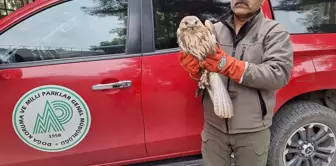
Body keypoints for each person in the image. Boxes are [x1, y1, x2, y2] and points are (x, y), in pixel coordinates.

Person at [178, 0, 294, 165]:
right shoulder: (213, 29)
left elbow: (278, 74)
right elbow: (205, 72)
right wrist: (195, 71)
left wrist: (231, 66)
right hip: (214, 127)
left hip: (252, 130)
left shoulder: (274, 32)